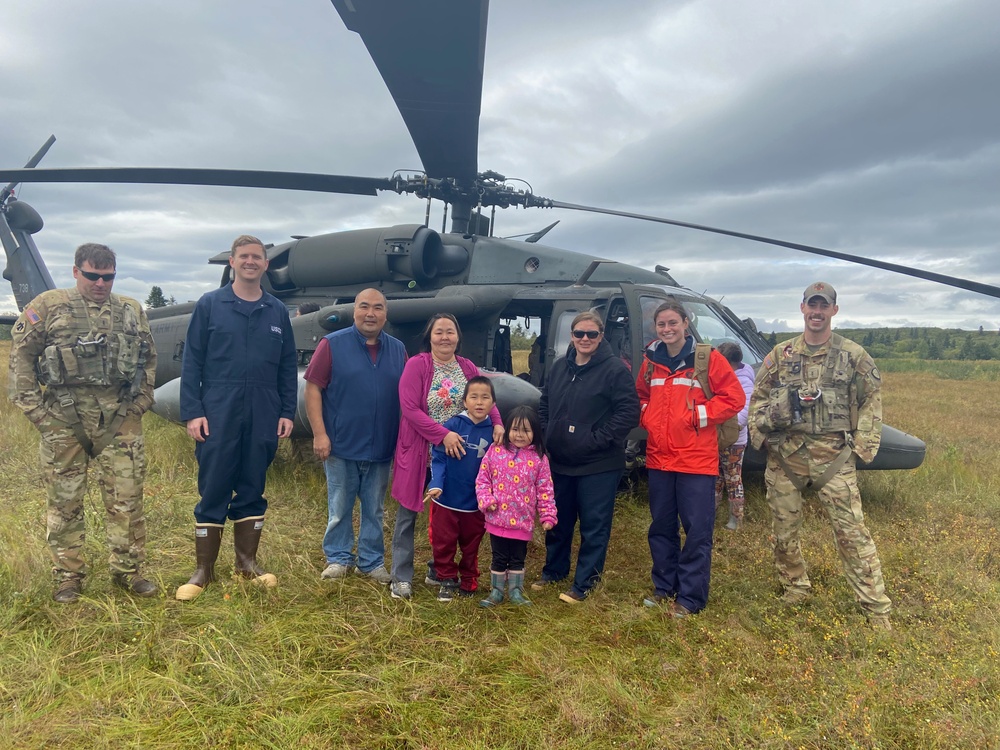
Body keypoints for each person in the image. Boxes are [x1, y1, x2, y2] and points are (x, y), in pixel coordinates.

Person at [9, 243, 157, 602]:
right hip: (64, 417)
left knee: (127, 501)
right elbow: (22, 359)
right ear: (76, 271)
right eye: (93, 275)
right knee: (64, 503)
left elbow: (148, 358)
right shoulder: (47, 306)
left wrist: (140, 403)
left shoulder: (131, 310)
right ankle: (68, 577)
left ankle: (128, 571)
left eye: (108, 277)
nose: (100, 283)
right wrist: (39, 416)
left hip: (119, 419)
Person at [749, 282, 892, 630]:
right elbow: (757, 400)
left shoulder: (853, 356)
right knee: (783, 530)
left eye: (823, 306)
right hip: (786, 458)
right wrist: (761, 434)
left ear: (833, 311)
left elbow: (872, 400)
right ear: (802, 309)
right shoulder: (780, 355)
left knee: (852, 534)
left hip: (834, 457)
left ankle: (876, 608)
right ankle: (795, 587)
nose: (817, 312)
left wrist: (863, 447)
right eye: (811, 305)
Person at [176, 235, 297, 601]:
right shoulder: (211, 305)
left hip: (262, 408)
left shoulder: (276, 310)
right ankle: (203, 571)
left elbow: (288, 363)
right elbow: (192, 360)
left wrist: (286, 410)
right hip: (218, 407)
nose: (250, 262)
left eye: (256, 257)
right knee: (213, 484)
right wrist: (193, 411)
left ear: (265, 264)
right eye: (243, 256)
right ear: (232, 261)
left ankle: (247, 564)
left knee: (252, 484)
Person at [636, 301, 745, 617]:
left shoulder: (707, 359)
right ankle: (664, 588)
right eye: (661, 324)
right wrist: (650, 417)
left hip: (696, 461)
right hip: (659, 459)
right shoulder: (650, 362)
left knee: (696, 530)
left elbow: (734, 398)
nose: (667, 329)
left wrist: (699, 415)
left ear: (686, 323)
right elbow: (641, 396)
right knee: (661, 527)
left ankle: (690, 598)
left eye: (673, 323)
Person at [388, 313, 503, 600]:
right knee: (408, 513)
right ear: (430, 336)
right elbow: (410, 408)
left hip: (459, 458)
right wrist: (442, 435)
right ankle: (401, 576)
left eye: (450, 332)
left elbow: (485, 396)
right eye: (439, 332)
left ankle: (438, 570)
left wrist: (498, 423)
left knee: (449, 515)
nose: (444, 337)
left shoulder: (466, 366)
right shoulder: (417, 365)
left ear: (458, 337)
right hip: (421, 452)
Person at [536, 311, 640, 604]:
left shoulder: (615, 371)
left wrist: (596, 440)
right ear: (571, 336)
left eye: (591, 334)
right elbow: (544, 403)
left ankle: (585, 584)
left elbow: (628, 413)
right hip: (560, 461)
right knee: (559, 521)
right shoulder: (559, 368)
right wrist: (547, 433)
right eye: (579, 333)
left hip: (598, 464)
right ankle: (554, 571)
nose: (584, 339)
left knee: (594, 525)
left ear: (601, 336)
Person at [304, 288, 405, 585]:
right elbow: (312, 389)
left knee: (374, 508)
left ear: (386, 314)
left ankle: (371, 562)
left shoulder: (399, 350)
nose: (370, 313)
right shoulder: (332, 344)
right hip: (340, 444)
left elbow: (407, 398)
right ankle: (338, 559)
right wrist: (319, 434)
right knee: (340, 506)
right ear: (355, 311)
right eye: (364, 307)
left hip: (381, 446)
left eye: (377, 308)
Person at [476, 405, 557, 607]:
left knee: (518, 558)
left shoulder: (539, 459)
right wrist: (486, 500)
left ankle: (515, 591)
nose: (519, 435)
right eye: (515, 429)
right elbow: (483, 480)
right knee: (499, 556)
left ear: (535, 433)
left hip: (522, 521)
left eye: (526, 430)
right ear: (507, 429)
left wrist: (548, 515)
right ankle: (496, 591)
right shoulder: (495, 452)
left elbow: (545, 489)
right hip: (497, 518)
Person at [423, 376, 496, 601]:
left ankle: (468, 579)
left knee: (471, 544)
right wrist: (436, 484)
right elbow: (438, 457)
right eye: (473, 397)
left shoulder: (494, 433)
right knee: (443, 541)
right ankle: (446, 578)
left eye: (485, 397)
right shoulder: (453, 425)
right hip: (446, 499)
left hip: (475, 504)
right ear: (465, 401)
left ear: (493, 404)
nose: (479, 402)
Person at [714, 342, 756, 531]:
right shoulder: (726, 377)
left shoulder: (744, 381)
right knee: (715, 478)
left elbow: (744, 411)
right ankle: (710, 514)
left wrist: (727, 429)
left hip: (734, 440)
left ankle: (736, 519)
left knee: (733, 478)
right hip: (718, 437)